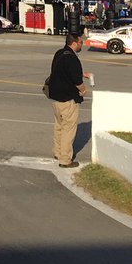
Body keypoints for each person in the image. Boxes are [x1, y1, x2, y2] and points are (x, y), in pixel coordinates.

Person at [46, 33, 91, 168]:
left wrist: (81, 73)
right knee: (68, 129)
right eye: (81, 43)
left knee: (59, 126)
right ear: (74, 43)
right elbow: (77, 81)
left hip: (55, 97)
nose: (81, 45)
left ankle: (57, 152)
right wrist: (83, 90)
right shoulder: (72, 58)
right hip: (67, 98)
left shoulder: (59, 53)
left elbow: (61, 71)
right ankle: (65, 159)